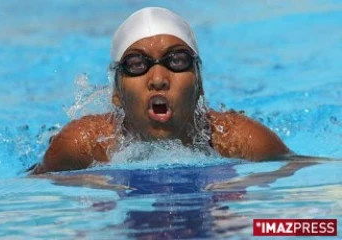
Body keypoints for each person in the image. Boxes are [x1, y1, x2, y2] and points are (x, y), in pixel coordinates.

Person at [30, 7, 291, 175]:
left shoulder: (242, 142)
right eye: (136, 64)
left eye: (177, 61)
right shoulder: (82, 146)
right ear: (117, 93)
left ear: (199, 83)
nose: (158, 79)